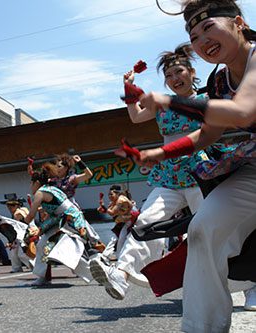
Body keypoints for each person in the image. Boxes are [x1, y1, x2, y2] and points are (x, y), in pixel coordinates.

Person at [136, 1, 256, 331]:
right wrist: (159, 154)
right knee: (203, 230)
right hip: (252, 172)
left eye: (208, 27)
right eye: (193, 35)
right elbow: (208, 133)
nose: (201, 39)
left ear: (239, 23)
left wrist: (169, 101)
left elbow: (245, 111)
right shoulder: (218, 82)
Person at [89, 43, 208, 301]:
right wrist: (128, 86)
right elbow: (135, 116)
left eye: (179, 72)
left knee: (212, 229)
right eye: (168, 75)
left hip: (202, 171)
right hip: (170, 174)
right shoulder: (162, 105)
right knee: (146, 221)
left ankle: (247, 284)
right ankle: (121, 274)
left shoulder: (207, 101)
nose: (174, 79)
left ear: (191, 71)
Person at [25, 163, 95, 286]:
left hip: (71, 220)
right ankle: (43, 277)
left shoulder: (40, 193)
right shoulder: (51, 188)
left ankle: (98, 272)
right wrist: (40, 230)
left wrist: (19, 225)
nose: (30, 186)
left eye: (31, 183)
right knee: (42, 245)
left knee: (64, 250)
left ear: (36, 182)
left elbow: (31, 215)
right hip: (61, 220)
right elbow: (54, 216)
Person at [0, 194, 33, 273]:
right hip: (22, 234)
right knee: (14, 252)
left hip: (26, 233)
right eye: (8, 206)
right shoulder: (23, 210)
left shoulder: (18, 213)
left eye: (12, 206)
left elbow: (21, 227)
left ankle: (34, 266)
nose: (9, 208)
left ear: (17, 205)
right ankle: (16, 268)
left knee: (21, 253)